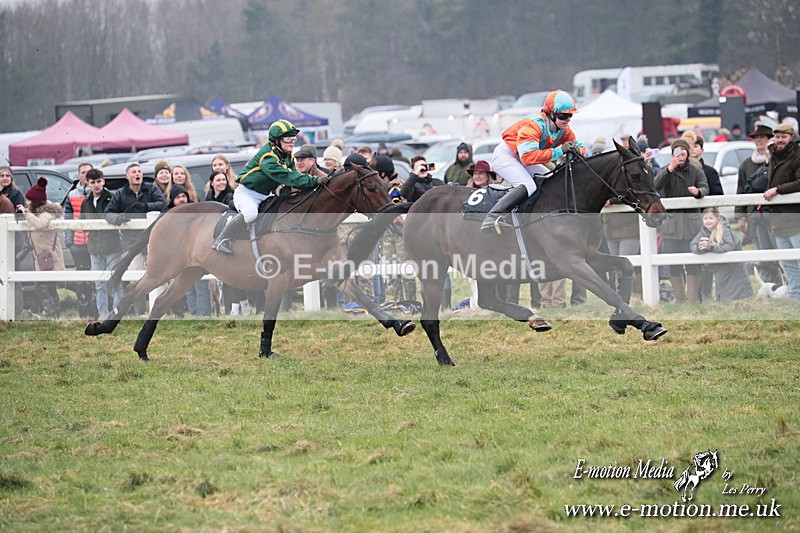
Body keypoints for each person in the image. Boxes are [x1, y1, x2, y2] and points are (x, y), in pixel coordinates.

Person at [212, 120, 329, 254]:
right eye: (288, 139)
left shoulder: (287, 154)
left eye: (293, 138)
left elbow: (295, 174)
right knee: (250, 214)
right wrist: (315, 180)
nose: (292, 142)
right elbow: (289, 177)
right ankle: (221, 239)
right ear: (277, 140)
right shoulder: (268, 158)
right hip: (247, 193)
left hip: (266, 194)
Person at [483, 89, 585, 232]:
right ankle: (491, 218)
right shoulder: (534, 125)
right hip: (506, 156)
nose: (567, 120)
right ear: (551, 114)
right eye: (563, 116)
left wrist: (578, 151)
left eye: (570, 116)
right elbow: (528, 157)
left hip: (522, 157)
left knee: (550, 179)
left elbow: (580, 147)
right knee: (528, 185)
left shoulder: (563, 129)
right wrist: (560, 151)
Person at [105, 163, 167, 314]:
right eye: (133, 172)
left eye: (139, 171)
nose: (137, 174)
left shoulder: (151, 189)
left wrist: (145, 207)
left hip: (154, 241)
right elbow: (108, 213)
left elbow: (163, 204)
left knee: (161, 277)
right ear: (127, 176)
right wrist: (118, 219)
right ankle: (141, 311)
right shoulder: (120, 194)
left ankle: (162, 310)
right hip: (132, 243)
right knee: (135, 279)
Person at [654, 138, 709, 302]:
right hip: (671, 226)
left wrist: (698, 192)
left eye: (683, 151)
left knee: (693, 264)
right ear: (672, 154)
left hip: (691, 226)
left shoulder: (696, 170)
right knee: (674, 265)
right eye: (676, 151)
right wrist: (670, 169)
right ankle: (680, 299)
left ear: (687, 153)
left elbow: (705, 187)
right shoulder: (667, 170)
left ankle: (692, 300)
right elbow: (656, 185)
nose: (680, 154)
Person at [763, 123, 800, 300]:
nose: (779, 140)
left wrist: (778, 190)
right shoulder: (774, 156)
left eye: (783, 137)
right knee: (788, 264)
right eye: (777, 137)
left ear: (791, 138)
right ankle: (795, 299)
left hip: (795, 218)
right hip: (778, 220)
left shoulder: (798, 155)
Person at [18, 177, 65, 318]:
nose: (27, 203)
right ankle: (54, 314)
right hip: (41, 258)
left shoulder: (47, 213)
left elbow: (39, 224)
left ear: (35, 202)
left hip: (50, 257)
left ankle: (51, 313)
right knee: (48, 288)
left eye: (29, 201)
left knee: (42, 287)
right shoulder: (36, 213)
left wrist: (27, 214)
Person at [80, 168, 123, 319]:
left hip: (112, 246)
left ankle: (117, 314)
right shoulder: (86, 202)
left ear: (103, 181)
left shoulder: (113, 198)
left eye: (99, 181)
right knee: (99, 284)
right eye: (93, 182)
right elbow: (82, 223)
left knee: (116, 281)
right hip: (94, 247)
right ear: (88, 183)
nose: (96, 185)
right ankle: (103, 314)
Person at [690, 207, 753, 301]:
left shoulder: (724, 229)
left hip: (733, 265)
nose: (708, 221)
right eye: (705, 218)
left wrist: (711, 247)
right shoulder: (703, 231)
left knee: (738, 288)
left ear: (717, 219)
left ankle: (744, 304)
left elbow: (729, 246)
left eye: (711, 218)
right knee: (723, 291)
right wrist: (700, 248)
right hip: (720, 267)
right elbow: (692, 245)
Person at [63, 161, 97, 318]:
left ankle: (96, 311)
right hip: (77, 244)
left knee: (96, 277)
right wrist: (69, 242)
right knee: (81, 278)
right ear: (78, 175)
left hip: (95, 244)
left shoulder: (99, 193)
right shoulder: (71, 195)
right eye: (83, 172)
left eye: (89, 172)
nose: (86, 175)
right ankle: (83, 312)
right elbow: (67, 219)